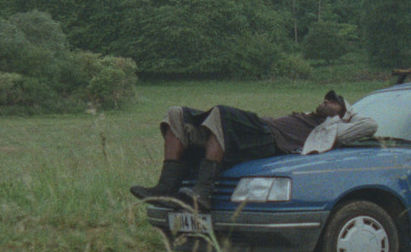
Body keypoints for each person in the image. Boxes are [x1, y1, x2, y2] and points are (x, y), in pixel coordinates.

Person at [130, 90, 377, 211]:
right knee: (176, 113)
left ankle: (202, 193)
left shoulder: (331, 129)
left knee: (222, 112)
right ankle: (166, 188)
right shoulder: (306, 116)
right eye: (326, 98)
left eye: (334, 101)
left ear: (343, 112)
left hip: (267, 138)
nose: (326, 101)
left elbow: (370, 125)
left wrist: (347, 113)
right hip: (257, 127)